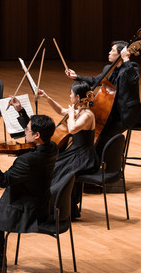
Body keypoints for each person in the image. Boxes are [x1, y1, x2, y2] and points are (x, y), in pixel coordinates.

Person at [0, 105, 57, 273]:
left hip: (26, 212)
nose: (24, 131)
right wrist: (21, 113)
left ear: (37, 135)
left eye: (27, 129)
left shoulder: (27, 161)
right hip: (39, 204)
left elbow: (3, 181)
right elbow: (33, 137)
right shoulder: (52, 147)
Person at [66, 40, 141, 157]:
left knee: (105, 134)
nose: (109, 52)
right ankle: (90, 159)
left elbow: (132, 79)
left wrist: (126, 59)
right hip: (110, 113)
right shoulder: (109, 68)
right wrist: (76, 76)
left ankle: (106, 163)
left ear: (120, 54)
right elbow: (95, 81)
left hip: (125, 115)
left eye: (112, 50)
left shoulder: (131, 67)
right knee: (93, 129)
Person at [36, 83, 99, 219]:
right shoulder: (79, 112)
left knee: (59, 170)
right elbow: (60, 111)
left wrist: (71, 115)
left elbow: (72, 129)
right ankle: (52, 207)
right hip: (75, 152)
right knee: (53, 165)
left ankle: (61, 209)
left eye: (71, 94)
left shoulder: (87, 115)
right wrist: (46, 97)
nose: (70, 96)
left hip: (84, 156)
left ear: (77, 97)